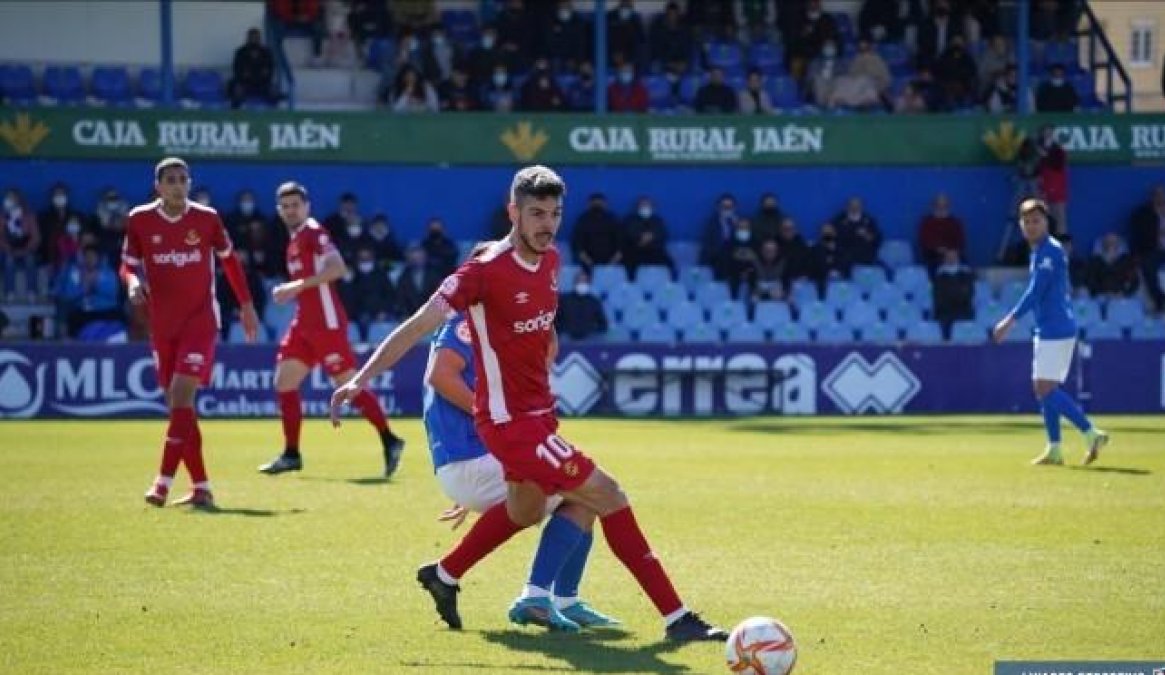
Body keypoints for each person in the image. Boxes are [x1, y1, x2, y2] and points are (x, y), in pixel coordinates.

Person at [329, 165, 727, 642]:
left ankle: (445, 574)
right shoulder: (481, 272)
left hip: (536, 422)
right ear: (512, 211)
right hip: (513, 428)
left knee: (525, 510)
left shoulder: (552, 260)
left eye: (555, 213)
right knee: (608, 495)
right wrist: (361, 379)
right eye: (536, 213)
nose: (547, 224)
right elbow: (417, 325)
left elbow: (541, 326)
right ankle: (676, 618)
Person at [426, 306, 618, 631]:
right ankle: (539, 598)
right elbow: (441, 376)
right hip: (470, 456)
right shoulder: (468, 322)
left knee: (578, 487)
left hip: (477, 456)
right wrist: (494, 426)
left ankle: (561, 601)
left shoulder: (496, 325)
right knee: (585, 494)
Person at [120, 157, 260, 508]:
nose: (179, 185)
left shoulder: (206, 218)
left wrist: (245, 305)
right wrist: (133, 283)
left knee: (181, 396)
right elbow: (128, 263)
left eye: (183, 179)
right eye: (171, 180)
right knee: (179, 408)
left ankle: (162, 483)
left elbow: (229, 260)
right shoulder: (140, 219)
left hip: (200, 322)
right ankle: (201, 487)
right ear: (158, 186)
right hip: (162, 324)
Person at [257, 181, 404, 478]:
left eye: (295, 205)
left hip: (326, 323)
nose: (290, 210)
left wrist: (296, 285)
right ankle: (291, 454)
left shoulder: (314, 233)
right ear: (279, 210)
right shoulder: (295, 238)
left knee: (348, 385)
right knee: (284, 381)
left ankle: (390, 439)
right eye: (285, 206)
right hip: (304, 323)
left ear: (307, 206)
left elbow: (338, 269)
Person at [991, 199, 1109, 467]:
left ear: (1047, 222)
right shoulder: (1041, 251)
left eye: (1037, 220)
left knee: (1043, 389)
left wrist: (1009, 321)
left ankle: (1090, 433)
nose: (1031, 226)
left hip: (1055, 329)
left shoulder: (1049, 252)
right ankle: (1055, 449)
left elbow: (1036, 292)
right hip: (1053, 327)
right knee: (1046, 389)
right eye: (1027, 221)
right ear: (1021, 225)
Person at [53, 244, 122, 339]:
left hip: (104, 311)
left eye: (93, 256)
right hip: (83, 312)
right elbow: (68, 294)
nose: (90, 260)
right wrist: (83, 288)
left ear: (98, 258)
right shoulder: (75, 273)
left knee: (118, 315)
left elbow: (112, 293)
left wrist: (96, 283)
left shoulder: (107, 273)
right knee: (71, 316)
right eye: (87, 257)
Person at [1, 188, 41, 300]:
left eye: (11, 198)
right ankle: (9, 292)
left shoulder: (29, 216)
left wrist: (26, 249)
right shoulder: (2, 217)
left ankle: (32, 291)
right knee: (9, 261)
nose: (8, 200)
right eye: (7, 198)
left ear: (18, 200)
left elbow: (36, 237)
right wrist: (7, 248)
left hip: (26, 249)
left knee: (30, 260)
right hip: (9, 250)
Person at [622, 196, 675, 278]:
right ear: (637, 207)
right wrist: (641, 240)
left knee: (669, 264)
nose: (645, 208)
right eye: (642, 205)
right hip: (635, 252)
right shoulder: (630, 220)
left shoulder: (658, 221)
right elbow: (628, 235)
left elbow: (662, 235)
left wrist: (651, 238)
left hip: (655, 252)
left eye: (647, 205)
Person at [570, 193, 623, 272]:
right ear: (589, 204)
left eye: (599, 202)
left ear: (605, 204)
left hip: (612, 264)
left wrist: (611, 264)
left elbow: (620, 244)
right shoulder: (583, 220)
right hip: (587, 265)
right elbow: (577, 244)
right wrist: (588, 262)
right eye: (595, 202)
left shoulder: (613, 220)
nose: (597, 204)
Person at [917, 193, 967, 276]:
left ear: (949, 207)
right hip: (934, 256)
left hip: (955, 255)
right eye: (938, 206)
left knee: (963, 268)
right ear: (933, 206)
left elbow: (961, 242)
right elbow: (925, 242)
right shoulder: (926, 223)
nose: (941, 208)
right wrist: (942, 251)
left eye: (944, 206)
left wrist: (953, 252)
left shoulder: (955, 223)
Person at [228, 28, 278, 108]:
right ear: (248, 39)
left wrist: (257, 74)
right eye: (252, 38)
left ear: (259, 39)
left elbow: (270, 70)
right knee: (237, 90)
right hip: (244, 82)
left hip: (262, 82)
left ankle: (275, 115)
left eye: (256, 38)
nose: (254, 40)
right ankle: (235, 114)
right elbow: (237, 69)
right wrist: (245, 75)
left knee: (273, 91)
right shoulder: (240, 52)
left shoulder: (266, 52)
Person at [556, 269, 608, 340]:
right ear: (574, 282)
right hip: (567, 336)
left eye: (584, 281)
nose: (581, 283)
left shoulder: (594, 301)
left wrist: (593, 330)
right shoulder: (564, 300)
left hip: (589, 336)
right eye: (579, 281)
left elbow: (603, 324)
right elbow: (556, 321)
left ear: (588, 283)